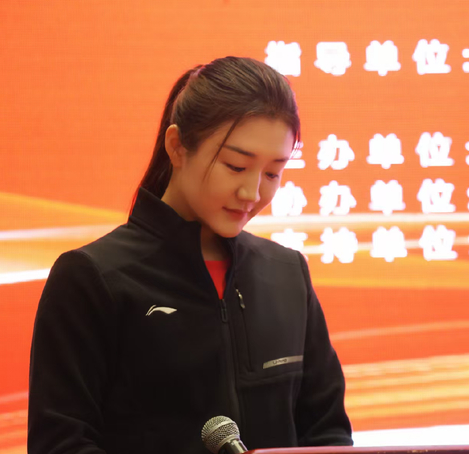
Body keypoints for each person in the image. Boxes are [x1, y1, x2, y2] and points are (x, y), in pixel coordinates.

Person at [28, 56, 352, 454]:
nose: (252, 193)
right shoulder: (92, 278)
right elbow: (61, 443)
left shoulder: (287, 273)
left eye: (272, 173)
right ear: (177, 146)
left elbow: (327, 434)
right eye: (236, 166)